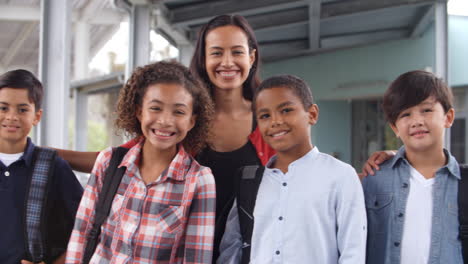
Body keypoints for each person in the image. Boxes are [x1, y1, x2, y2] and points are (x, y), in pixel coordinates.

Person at [56, 15, 275, 260]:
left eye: (237, 52)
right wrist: (45, 154)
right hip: (177, 250)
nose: (227, 62)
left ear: (251, 57)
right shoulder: (181, 119)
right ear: (203, 59)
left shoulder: (269, 121)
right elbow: (122, 160)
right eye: (216, 52)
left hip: (250, 253)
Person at [65, 61, 216, 263]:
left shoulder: (199, 180)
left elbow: (197, 257)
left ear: (192, 120)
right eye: (155, 108)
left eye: (178, 112)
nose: (165, 121)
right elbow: (81, 234)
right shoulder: (108, 162)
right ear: (139, 112)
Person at [218, 75, 367, 263]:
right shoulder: (249, 182)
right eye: (265, 116)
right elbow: (231, 249)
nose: (275, 121)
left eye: (286, 110)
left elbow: (353, 251)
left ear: (312, 114)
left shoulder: (341, 175)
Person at [362, 70, 462, 263]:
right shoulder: (374, 178)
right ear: (394, 127)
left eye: (426, 110)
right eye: (406, 114)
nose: (417, 121)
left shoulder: (463, 184)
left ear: (448, 117)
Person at [0, 69, 83, 264]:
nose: (11, 117)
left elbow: (85, 229)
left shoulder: (53, 167)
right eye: (3, 108)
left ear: (37, 116)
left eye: (22, 109)